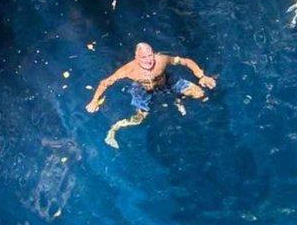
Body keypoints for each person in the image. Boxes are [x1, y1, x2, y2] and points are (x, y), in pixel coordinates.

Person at [86, 42, 217, 148]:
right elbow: (105, 83)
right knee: (139, 118)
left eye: (150, 56)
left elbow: (185, 61)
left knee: (200, 93)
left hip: (166, 81)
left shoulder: (162, 59)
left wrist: (201, 76)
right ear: (136, 58)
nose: (149, 60)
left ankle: (179, 99)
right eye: (144, 57)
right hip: (143, 89)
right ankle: (114, 129)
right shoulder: (129, 69)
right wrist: (94, 100)